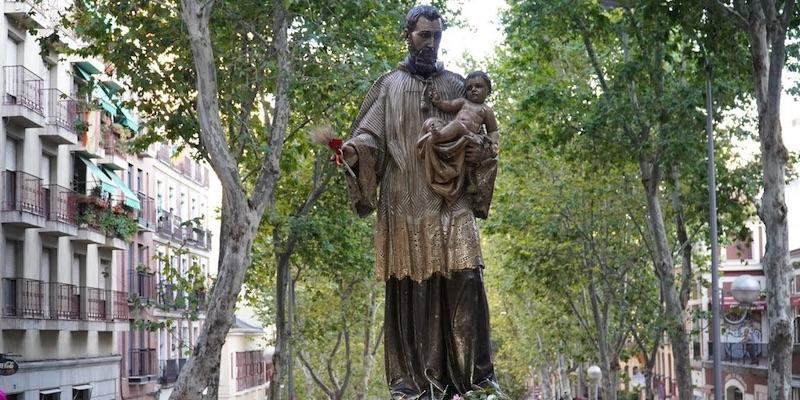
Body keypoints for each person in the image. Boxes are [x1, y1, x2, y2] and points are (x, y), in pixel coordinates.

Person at [340, 5, 499, 399]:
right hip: (404, 202)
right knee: (415, 291)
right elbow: (368, 136)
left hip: (452, 199)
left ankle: (476, 381)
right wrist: (353, 152)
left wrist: (482, 152)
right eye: (423, 35)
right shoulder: (388, 86)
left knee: (467, 280)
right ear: (408, 36)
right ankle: (416, 385)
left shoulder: (460, 86)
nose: (430, 43)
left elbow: (487, 137)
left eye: (436, 36)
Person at [416, 71, 498, 207]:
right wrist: (438, 101)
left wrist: (493, 145)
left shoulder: (486, 110)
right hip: (454, 131)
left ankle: (439, 136)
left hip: (468, 135)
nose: (473, 90)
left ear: (488, 90)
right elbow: (448, 105)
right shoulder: (463, 102)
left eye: (478, 86)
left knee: (456, 125)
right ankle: (437, 134)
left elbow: (493, 130)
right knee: (432, 121)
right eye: (469, 88)